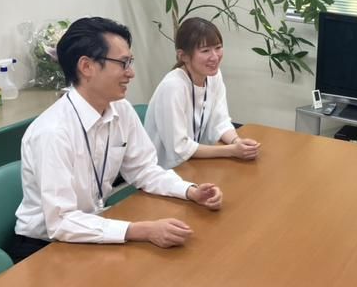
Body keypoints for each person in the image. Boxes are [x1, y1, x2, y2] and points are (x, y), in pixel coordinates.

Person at [12, 17, 223, 263]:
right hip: (45, 247)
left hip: (93, 225)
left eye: (130, 62)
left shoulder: (120, 110)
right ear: (87, 67)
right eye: (123, 63)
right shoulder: (53, 132)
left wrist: (190, 191)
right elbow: (61, 222)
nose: (131, 73)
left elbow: (145, 170)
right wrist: (141, 231)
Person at [145, 17, 260, 170]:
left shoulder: (213, 76)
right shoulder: (173, 86)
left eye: (218, 47)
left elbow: (220, 121)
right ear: (183, 56)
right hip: (165, 171)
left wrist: (237, 142)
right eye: (205, 51)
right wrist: (231, 151)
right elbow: (179, 148)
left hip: (194, 164)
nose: (215, 57)